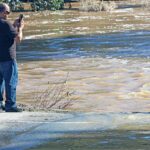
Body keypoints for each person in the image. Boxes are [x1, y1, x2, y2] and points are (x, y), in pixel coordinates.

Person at [0, 3, 24, 112]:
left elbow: (7, 34)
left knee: (0, 82)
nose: (8, 15)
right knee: (11, 82)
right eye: (7, 12)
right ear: (2, 12)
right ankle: (11, 105)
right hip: (8, 58)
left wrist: (14, 26)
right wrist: (20, 28)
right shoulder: (6, 24)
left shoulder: (7, 25)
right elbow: (18, 39)